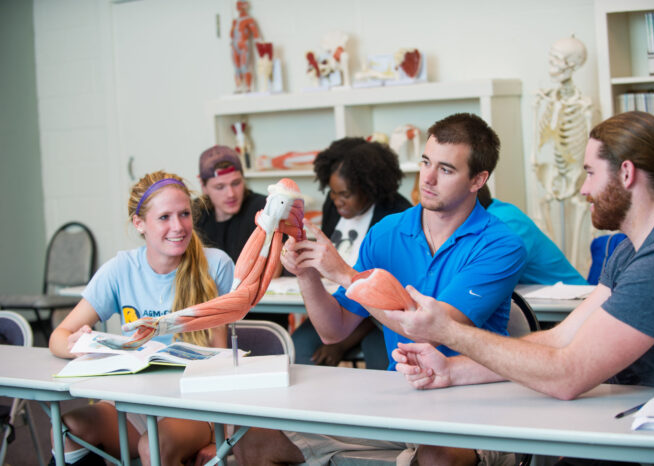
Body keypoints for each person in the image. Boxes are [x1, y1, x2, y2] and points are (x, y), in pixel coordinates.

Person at [232, 113, 527, 466]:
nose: (428, 179)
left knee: (437, 457)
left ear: (478, 179)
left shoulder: (501, 245)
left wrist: (343, 274)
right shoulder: (388, 232)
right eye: (425, 162)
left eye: (446, 170)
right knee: (256, 441)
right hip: (400, 399)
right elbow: (334, 330)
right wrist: (307, 271)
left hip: (473, 403)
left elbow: (430, 331)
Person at [390, 111, 654, 403]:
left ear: (627, 173)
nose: (584, 189)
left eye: (591, 173)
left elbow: (568, 374)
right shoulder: (631, 248)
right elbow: (562, 338)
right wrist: (452, 370)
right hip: (624, 419)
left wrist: (448, 331)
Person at [48, 171, 234, 466]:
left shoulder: (216, 265)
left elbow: (221, 359)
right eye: (164, 217)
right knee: (68, 428)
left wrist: (220, 438)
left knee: (154, 446)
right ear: (139, 224)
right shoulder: (120, 268)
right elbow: (59, 336)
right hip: (135, 403)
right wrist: (79, 345)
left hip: (195, 406)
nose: (178, 226)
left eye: (184, 214)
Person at [292, 137, 412, 370]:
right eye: (333, 192)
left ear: (369, 189)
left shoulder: (395, 217)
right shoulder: (333, 204)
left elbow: (390, 298)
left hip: (376, 320)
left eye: (344, 194)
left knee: (381, 357)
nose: (337, 201)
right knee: (300, 347)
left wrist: (342, 343)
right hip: (337, 305)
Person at [195, 145, 288, 329]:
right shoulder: (194, 214)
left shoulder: (265, 208)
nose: (230, 194)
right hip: (210, 315)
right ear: (203, 185)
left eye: (236, 183)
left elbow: (273, 271)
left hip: (261, 315)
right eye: (220, 187)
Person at [477, 184, 588, 285]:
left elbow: (486, 278)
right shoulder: (489, 217)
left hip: (573, 299)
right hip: (540, 301)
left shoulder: (504, 221)